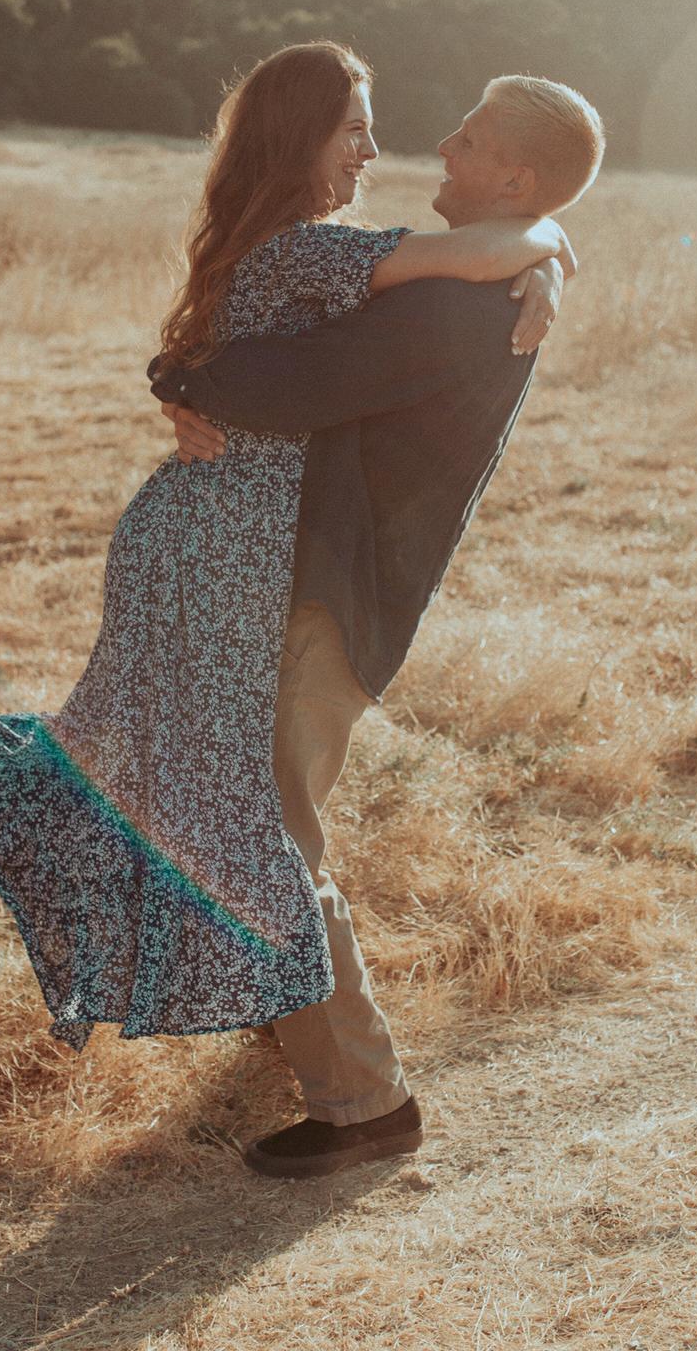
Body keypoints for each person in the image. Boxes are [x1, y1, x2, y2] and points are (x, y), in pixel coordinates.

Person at [0, 45, 573, 1076]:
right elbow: (279, 372)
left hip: (218, 548)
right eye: (355, 126)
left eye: (468, 138)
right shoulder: (341, 258)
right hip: (234, 562)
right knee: (220, 818)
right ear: (300, 143)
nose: (402, 146)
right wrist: (550, 243)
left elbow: (261, 365)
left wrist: (547, 249)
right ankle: (358, 1092)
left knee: (122, 775)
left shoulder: (319, 257)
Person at [148, 73, 605, 1177]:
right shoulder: (494, 278)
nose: (440, 143)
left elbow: (282, 382)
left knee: (269, 834)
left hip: (330, 591)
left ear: (517, 177)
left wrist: (176, 369)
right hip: (319, 581)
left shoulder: (461, 301)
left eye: (472, 134)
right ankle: (293, 1019)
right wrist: (548, 246)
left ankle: (366, 1105)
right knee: (264, 822)